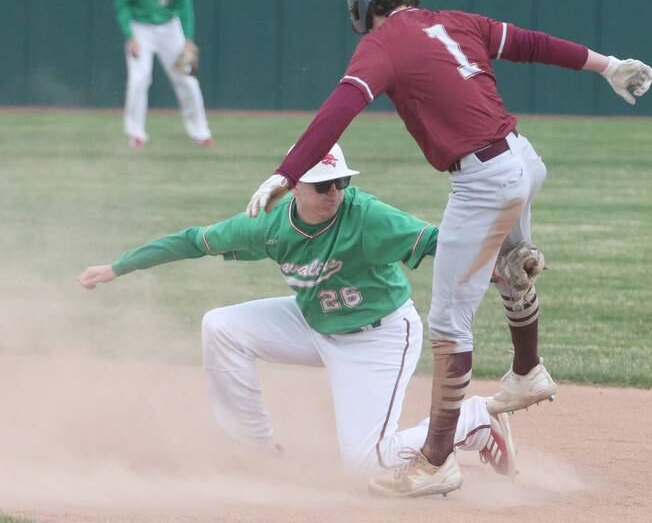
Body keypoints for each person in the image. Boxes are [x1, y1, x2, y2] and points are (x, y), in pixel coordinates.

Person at [244, 0, 652, 497]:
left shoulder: (382, 44)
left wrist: (286, 172)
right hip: (521, 161)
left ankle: (436, 462)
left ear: (361, 9)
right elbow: (533, 44)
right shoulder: (458, 22)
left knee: (447, 326)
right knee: (511, 265)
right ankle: (527, 368)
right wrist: (608, 66)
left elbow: (339, 109)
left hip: (481, 181)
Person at [77, 143, 515, 495]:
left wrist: (492, 263)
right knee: (221, 326)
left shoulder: (365, 216)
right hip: (314, 321)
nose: (335, 193)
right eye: (323, 185)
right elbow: (194, 241)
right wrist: (119, 267)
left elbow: (439, 239)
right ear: (293, 187)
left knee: (366, 462)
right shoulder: (269, 224)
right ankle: (257, 448)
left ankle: (474, 420)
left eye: (340, 182)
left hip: (377, 337)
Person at [113, 0, 213, 149]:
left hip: (170, 26)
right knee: (139, 79)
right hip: (140, 27)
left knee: (186, 78)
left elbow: (185, 3)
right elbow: (122, 5)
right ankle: (136, 133)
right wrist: (129, 36)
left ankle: (201, 132)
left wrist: (188, 38)